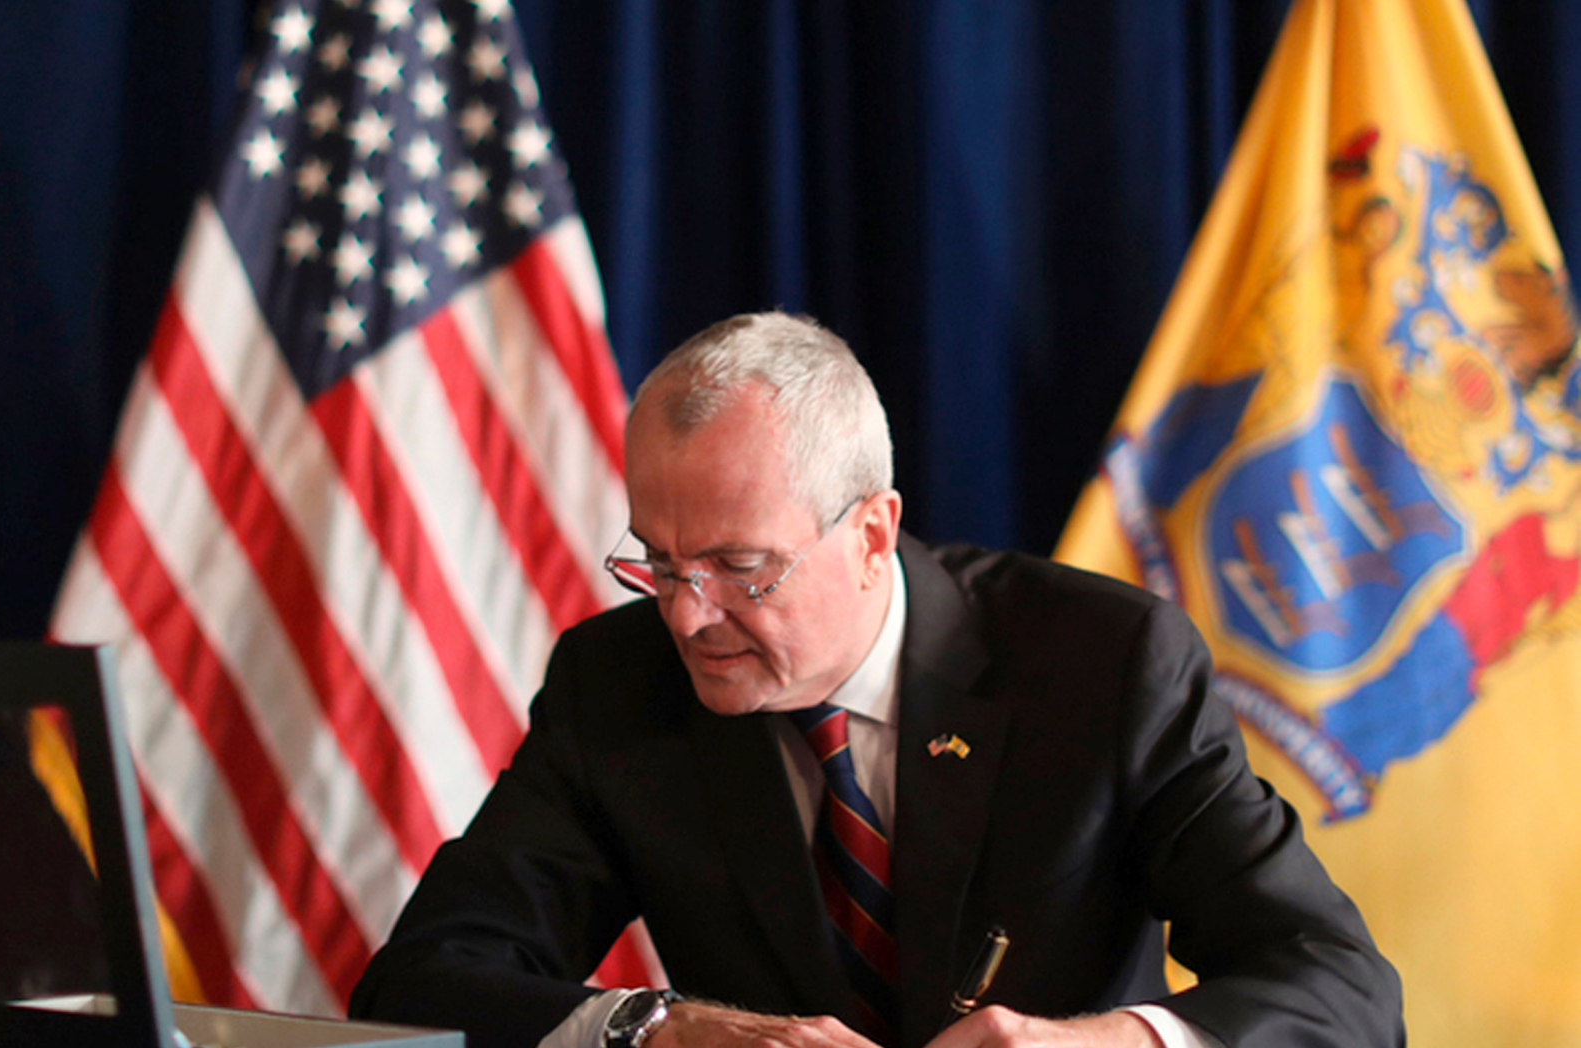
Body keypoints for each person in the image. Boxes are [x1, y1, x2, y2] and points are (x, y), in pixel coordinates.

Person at [350, 312, 1403, 1048]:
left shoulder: (1103, 664)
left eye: (739, 568)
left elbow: (1342, 988)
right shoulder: (614, 684)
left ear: (869, 532)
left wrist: (1113, 1042)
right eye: (657, 563)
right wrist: (655, 1028)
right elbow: (420, 983)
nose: (685, 614)